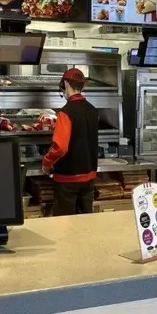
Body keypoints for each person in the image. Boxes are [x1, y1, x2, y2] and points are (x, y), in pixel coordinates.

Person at [42, 68, 99, 216]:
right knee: (85, 222)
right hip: (89, 177)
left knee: (65, 223)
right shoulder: (93, 110)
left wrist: (47, 162)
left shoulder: (66, 112)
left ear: (66, 83)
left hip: (68, 179)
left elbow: (60, 147)